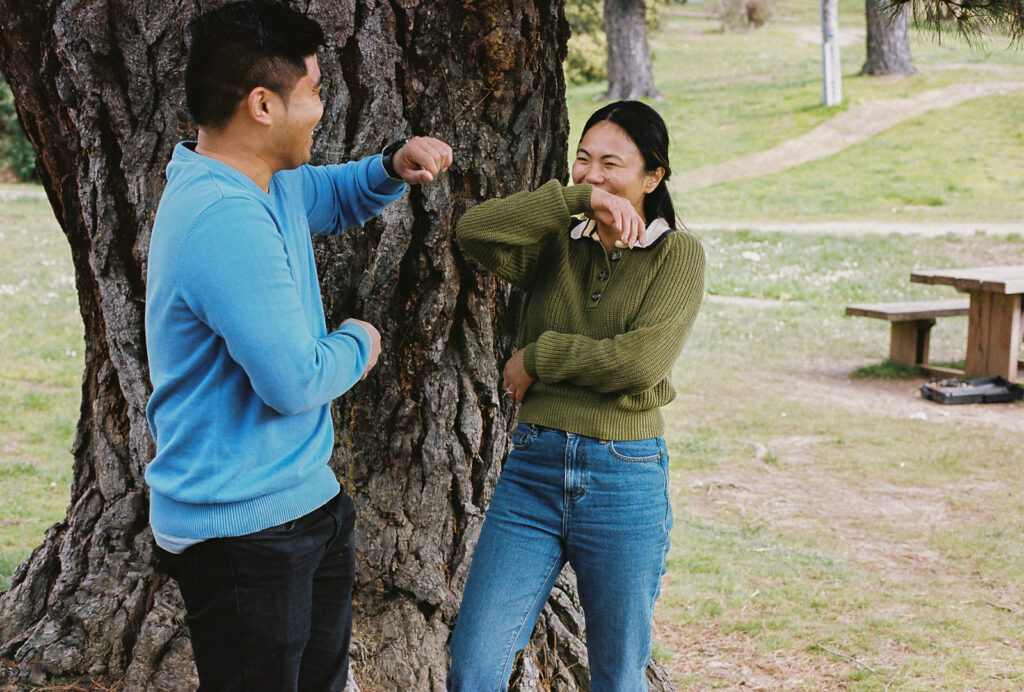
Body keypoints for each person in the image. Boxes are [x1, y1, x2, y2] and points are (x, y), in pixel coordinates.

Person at [143, 2, 452, 690]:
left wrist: (390, 167)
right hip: (241, 533)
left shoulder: (265, 183)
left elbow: (332, 196)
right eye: (313, 91)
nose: (319, 107)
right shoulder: (222, 218)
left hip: (302, 502)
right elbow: (292, 381)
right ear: (262, 105)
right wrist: (359, 342)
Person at [447, 100, 705, 692]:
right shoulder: (557, 242)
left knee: (617, 676)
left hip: (624, 477)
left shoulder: (677, 255)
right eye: (582, 160)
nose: (593, 174)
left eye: (611, 164)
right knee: (474, 667)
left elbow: (639, 364)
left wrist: (538, 357)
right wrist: (573, 199)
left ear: (653, 177)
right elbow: (473, 232)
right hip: (532, 471)